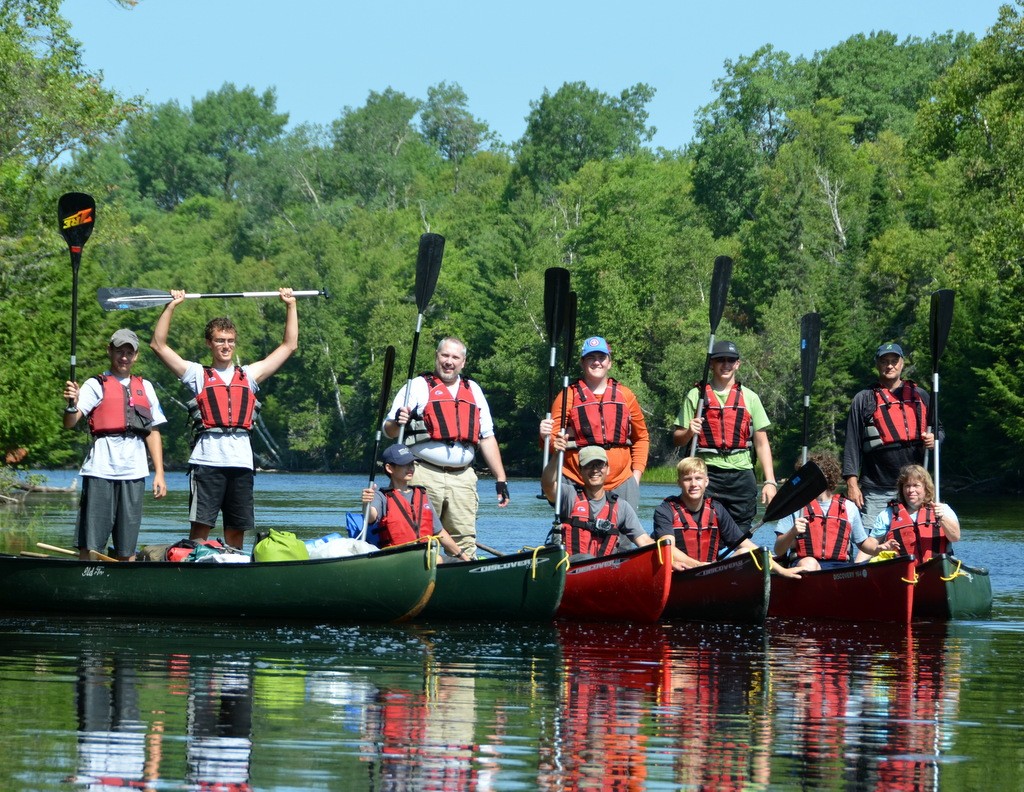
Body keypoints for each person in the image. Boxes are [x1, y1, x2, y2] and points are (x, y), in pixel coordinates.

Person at [150, 288, 298, 550]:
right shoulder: (197, 374)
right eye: (220, 340)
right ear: (210, 343)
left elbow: (289, 346)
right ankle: (196, 567)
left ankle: (235, 569)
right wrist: (171, 306)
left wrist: (290, 305)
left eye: (230, 340)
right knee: (200, 529)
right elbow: (158, 345)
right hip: (207, 463)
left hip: (241, 463)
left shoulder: (249, 375)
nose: (226, 346)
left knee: (236, 530)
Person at [384, 337, 509, 559]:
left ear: (463, 362)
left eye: (455, 357)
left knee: (464, 539)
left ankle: (460, 581)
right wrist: (398, 421)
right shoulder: (418, 386)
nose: (449, 361)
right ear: (436, 356)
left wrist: (500, 478)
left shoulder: (473, 390)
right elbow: (389, 430)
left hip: (462, 478)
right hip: (423, 473)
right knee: (421, 537)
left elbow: (487, 437)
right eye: (445, 355)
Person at [63, 329, 167, 561]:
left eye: (129, 352)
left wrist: (159, 472)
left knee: (127, 548)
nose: (124, 357)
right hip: (100, 471)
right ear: (110, 351)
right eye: (119, 351)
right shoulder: (95, 384)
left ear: (136, 356)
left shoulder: (145, 387)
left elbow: (153, 432)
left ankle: (122, 585)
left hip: (134, 473)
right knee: (90, 545)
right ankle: (87, 581)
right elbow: (70, 422)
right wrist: (72, 402)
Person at [671, 340, 778, 534]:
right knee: (706, 530)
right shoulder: (696, 396)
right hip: (708, 474)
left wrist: (770, 481)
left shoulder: (750, 397)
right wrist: (689, 431)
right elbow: (677, 439)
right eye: (721, 360)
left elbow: (762, 443)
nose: (726, 365)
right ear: (711, 363)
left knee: (740, 534)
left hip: (742, 475)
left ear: (738, 364)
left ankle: (736, 561)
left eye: (731, 360)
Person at [538, 336, 649, 510]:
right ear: (582, 363)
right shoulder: (567, 396)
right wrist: (546, 435)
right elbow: (551, 441)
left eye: (601, 357)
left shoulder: (626, 395)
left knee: (624, 536)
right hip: (577, 480)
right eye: (591, 358)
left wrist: (636, 476)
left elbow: (641, 438)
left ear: (609, 363)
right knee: (578, 535)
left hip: (621, 482)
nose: (597, 362)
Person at [842, 342, 940, 526]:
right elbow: (851, 445)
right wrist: (852, 484)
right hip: (876, 488)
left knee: (913, 539)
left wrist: (934, 439)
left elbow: (939, 430)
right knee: (872, 541)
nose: (890, 365)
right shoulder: (864, 399)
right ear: (877, 364)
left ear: (902, 363)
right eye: (885, 361)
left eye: (894, 361)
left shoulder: (920, 396)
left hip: (913, 488)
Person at [653, 456, 800, 577]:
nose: (693, 484)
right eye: (687, 479)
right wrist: (698, 566)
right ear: (679, 483)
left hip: (711, 572)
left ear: (706, 481)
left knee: (746, 553)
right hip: (681, 573)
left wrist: (781, 570)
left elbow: (748, 546)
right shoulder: (665, 510)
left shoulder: (716, 509)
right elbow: (668, 548)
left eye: (698, 478)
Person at [773, 451, 896, 571]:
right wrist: (792, 532)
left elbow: (863, 543)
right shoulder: (795, 507)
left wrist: (878, 548)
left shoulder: (849, 507)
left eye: (817, 476)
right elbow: (778, 550)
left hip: (839, 568)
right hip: (806, 566)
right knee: (810, 563)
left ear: (828, 476)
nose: (812, 480)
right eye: (809, 476)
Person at [542, 434, 654, 560]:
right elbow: (548, 485)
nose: (595, 470)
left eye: (599, 465)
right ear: (580, 471)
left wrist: (666, 555)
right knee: (585, 558)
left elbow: (643, 540)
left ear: (608, 469)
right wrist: (557, 455)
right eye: (589, 465)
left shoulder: (621, 507)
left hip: (605, 571)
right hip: (572, 567)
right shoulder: (569, 495)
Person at [361, 444, 469, 561]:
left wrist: (464, 557)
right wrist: (366, 503)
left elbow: (439, 531)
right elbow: (371, 517)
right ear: (389, 468)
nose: (410, 468)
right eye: (404, 464)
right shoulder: (381, 496)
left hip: (425, 555)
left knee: (459, 563)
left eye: (412, 464)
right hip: (397, 558)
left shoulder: (421, 494)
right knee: (435, 559)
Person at [870, 464, 960, 564]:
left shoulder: (943, 509)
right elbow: (870, 544)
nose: (911, 490)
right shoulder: (887, 514)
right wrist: (878, 548)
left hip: (936, 570)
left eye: (916, 485)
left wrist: (942, 517)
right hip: (904, 572)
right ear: (902, 488)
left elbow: (955, 537)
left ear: (926, 488)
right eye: (907, 486)